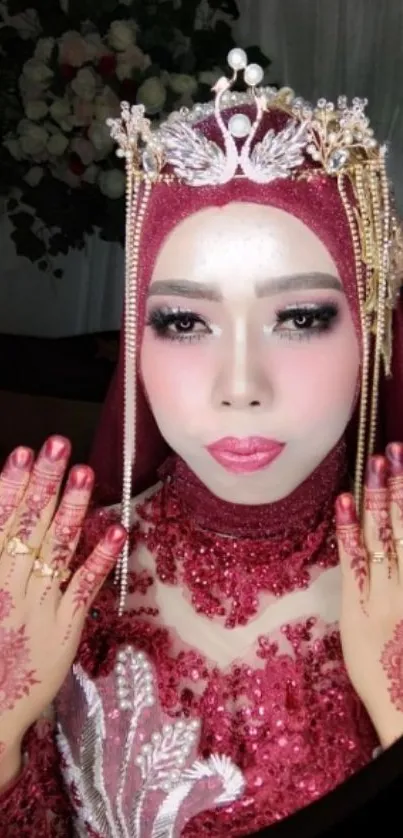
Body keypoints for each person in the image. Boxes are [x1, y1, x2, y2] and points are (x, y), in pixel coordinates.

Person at [1, 46, 403, 838]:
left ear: (371, 330)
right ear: (136, 338)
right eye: (184, 322)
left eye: (300, 318)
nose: (239, 384)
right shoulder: (49, 581)